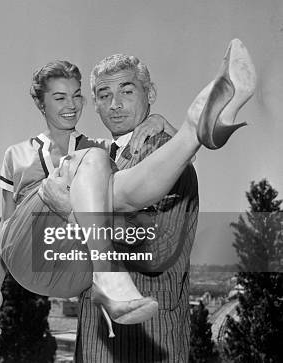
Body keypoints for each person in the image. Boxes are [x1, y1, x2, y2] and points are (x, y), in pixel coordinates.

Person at [0, 39, 256, 338]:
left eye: (76, 96)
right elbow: (6, 222)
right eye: (59, 97)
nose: (70, 105)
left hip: (72, 271)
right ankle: (194, 131)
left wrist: (163, 126)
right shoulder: (18, 154)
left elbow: (145, 181)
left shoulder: (98, 148)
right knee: (91, 168)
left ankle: (194, 131)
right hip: (27, 251)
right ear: (40, 103)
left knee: (107, 181)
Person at [60, 53, 199, 362]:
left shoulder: (161, 151)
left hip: (149, 339)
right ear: (94, 104)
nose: (115, 104)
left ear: (149, 94)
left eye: (127, 91)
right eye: (104, 95)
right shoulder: (103, 159)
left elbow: (155, 248)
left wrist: (73, 215)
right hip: (97, 337)